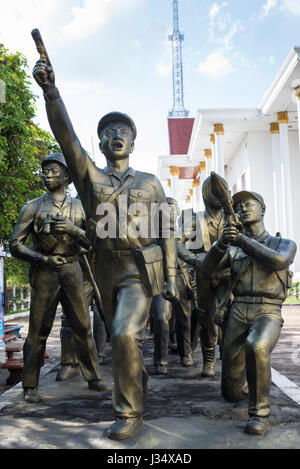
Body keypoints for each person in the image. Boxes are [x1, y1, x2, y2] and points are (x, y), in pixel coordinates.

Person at [32, 56, 179, 440]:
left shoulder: (150, 183)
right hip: (103, 269)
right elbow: (67, 138)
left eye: (123, 130)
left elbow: (167, 230)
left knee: (125, 334)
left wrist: (172, 275)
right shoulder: (89, 178)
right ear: (100, 141)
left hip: (139, 268)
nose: (116, 135)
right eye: (109, 130)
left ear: (133, 140)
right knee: (117, 336)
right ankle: (137, 376)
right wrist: (51, 92)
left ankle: (129, 413)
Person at [9, 153, 111, 403]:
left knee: (82, 326)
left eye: (54, 171)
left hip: (72, 268)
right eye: (45, 171)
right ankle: (30, 386)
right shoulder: (32, 206)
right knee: (38, 330)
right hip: (45, 271)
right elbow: (15, 244)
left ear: (66, 176)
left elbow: (93, 241)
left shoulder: (80, 207)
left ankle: (94, 378)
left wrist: (72, 229)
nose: (48, 175)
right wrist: (42, 259)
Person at [199, 190, 297, 435]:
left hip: (269, 310)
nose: (242, 208)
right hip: (238, 309)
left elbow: (277, 261)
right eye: (238, 206)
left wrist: (241, 240)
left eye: (249, 204)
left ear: (262, 210)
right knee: (231, 392)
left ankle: (259, 414)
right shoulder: (233, 249)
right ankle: (251, 388)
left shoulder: (283, 243)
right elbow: (206, 270)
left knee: (257, 345)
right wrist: (222, 242)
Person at [177, 176, 230, 377]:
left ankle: (227, 355)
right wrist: (194, 259)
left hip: (228, 274)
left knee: (230, 315)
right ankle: (208, 360)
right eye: (213, 192)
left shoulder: (231, 218)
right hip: (204, 274)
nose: (217, 197)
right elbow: (177, 242)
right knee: (206, 318)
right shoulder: (195, 219)